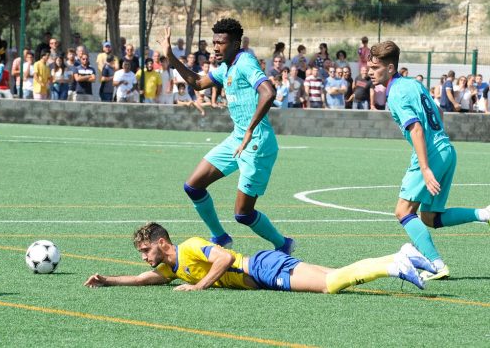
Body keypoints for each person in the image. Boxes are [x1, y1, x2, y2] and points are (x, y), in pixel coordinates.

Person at [159, 18, 294, 253]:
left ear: (235, 43)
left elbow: (268, 92)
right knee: (193, 186)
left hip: (256, 144)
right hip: (236, 140)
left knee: (243, 214)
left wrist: (250, 130)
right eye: (214, 42)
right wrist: (171, 58)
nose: (216, 47)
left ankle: (283, 244)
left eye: (221, 42)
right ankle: (220, 237)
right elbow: (198, 83)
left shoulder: (245, 62)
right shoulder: (226, 68)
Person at [367, 40, 490, 281]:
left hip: (432, 154)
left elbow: (416, 130)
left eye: (375, 68)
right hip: (446, 149)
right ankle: (484, 214)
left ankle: (436, 264)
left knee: (403, 211)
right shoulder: (414, 84)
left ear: (390, 68)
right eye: (369, 68)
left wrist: (425, 168)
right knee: (430, 217)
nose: (370, 72)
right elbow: (438, 111)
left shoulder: (395, 94)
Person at [84, 222, 428, 292]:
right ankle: (404, 254)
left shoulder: (189, 246)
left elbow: (224, 259)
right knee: (338, 273)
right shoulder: (172, 267)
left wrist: (199, 287)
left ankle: (392, 266)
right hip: (264, 269)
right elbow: (146, 279)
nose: (145, 258)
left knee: (330, 286)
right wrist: (109, 280)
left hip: (262, 268)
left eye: (146, 250)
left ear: (162, 241)